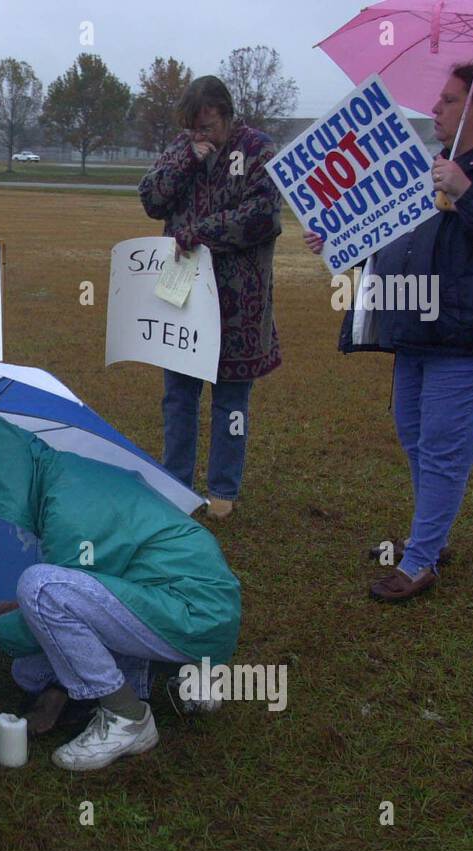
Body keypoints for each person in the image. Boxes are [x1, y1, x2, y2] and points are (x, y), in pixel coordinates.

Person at [303, 64, 473, 603]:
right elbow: (401, 239)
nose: (435, 110)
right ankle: (428, 537)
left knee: (441, 448)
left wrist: (466, 192)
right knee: (414, 434)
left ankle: (420, 562)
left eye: (449, 100)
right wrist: (341, 242)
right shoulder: (436, 165)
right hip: (419, 326)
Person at [0, 416, 241, 772]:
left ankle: (128, 717)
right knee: (29, 670)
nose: (2, 515)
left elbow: (51, 600)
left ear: (7, 483)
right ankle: (170, 670)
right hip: (176, 601)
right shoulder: (62, 478)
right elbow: (88, 591)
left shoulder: (67, 510)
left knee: (39, 585)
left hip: (194, 611)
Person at [138, 76, 283, 520]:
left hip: (240, 300)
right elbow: (152, 199)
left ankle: (223, 490)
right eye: (193, 129)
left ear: (227, 113)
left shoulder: (258, 149)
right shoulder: (183, 149)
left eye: (208, 126)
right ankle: (175, 483)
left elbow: (263, 215)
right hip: (182, 299)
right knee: (178, 396)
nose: (200, 136)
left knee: (231, 400)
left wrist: (200, 233)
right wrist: (186, 158)